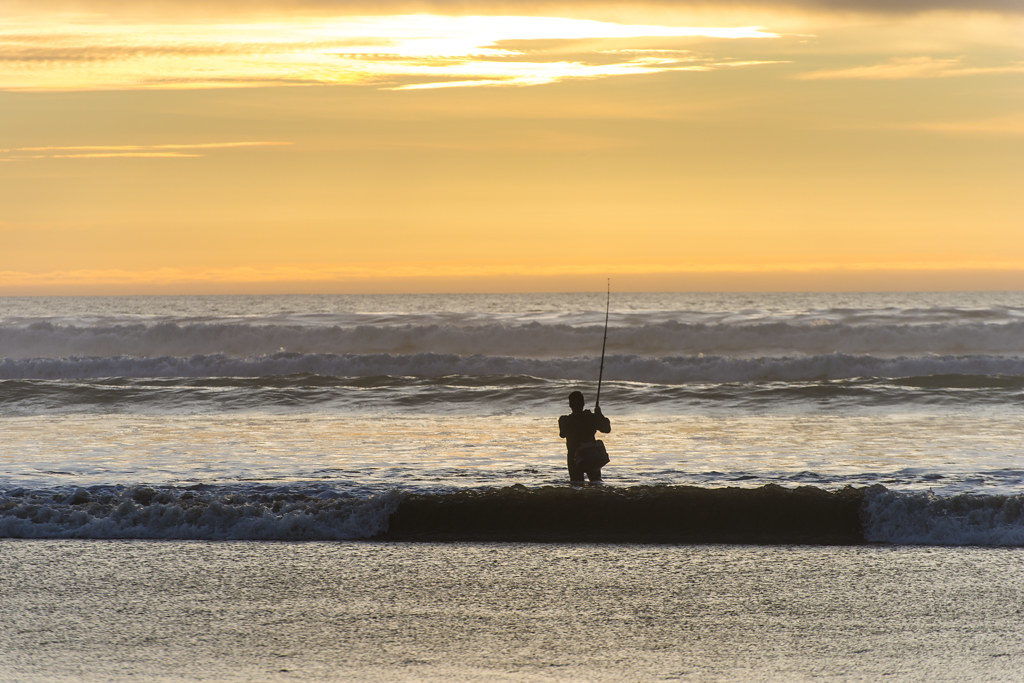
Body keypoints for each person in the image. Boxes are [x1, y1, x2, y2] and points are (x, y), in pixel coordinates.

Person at [558, 390, 611, 484]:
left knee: (576, 484)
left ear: (570, 405)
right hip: (590, 454)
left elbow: (562, 434)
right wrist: (599, 415)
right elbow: (606, 429)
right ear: (583, 404)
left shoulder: (565, 420)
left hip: (574, 457)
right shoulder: (590, 418)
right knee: (596, 482)